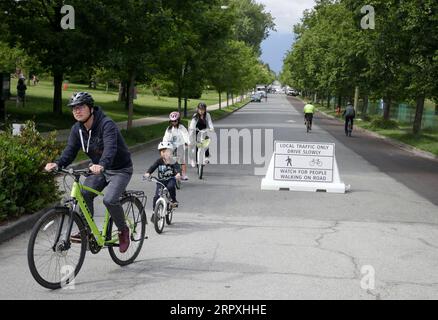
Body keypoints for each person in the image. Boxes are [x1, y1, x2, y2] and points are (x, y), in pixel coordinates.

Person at [44, 92, 133, 253]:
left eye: (81, 107)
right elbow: (70, 151)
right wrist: (57, 164)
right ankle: (87, 230)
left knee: (110, 200)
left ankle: (123, 230)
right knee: (84, 194)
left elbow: (110, 149)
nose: (77, 111)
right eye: (74, 108)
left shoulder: (107, 124)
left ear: (91, 108)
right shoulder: (77, 129)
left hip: (120, 169)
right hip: (99, 168)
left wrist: (102, 165)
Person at [144, 141, 181, 221]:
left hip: (171, 179)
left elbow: (178, 168)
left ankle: (173, 200)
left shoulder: (173, 161)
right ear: (160, 153)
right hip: (161, 181)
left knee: (171, 187)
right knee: (157, 196)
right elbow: (153, 167)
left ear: (171, 152)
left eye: (168, 151)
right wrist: (148, 173)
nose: (165, 154)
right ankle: (154, 212)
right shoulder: (159, 161)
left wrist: (178, 174)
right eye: (163, 152)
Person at [163, 111, 190, 180]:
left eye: (175, 121)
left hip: (180, 145)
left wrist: (187, 142)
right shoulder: (168, 129)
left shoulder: (181, 127)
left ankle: (183, 174)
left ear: (178, 120)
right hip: (171, 145)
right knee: (166, 157)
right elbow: (166, 137)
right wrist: (164, 144)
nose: (174, 122)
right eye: (172, 121)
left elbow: (185, 135)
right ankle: (166, 172)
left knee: (181, 159)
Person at [189, 102, 214, 167]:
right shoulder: (195, 116)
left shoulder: (207, 115)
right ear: (198, 109)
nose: (201, 111)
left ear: (205, 110)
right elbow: (192, 124)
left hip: (204, 131)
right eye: (200, 109)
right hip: (196, 131)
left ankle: (206, 157)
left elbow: (210, 122)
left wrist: (211, 128)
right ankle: (194, 160)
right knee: (195, 145)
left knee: (206, 143)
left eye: (203, 109)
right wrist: (192, 128)